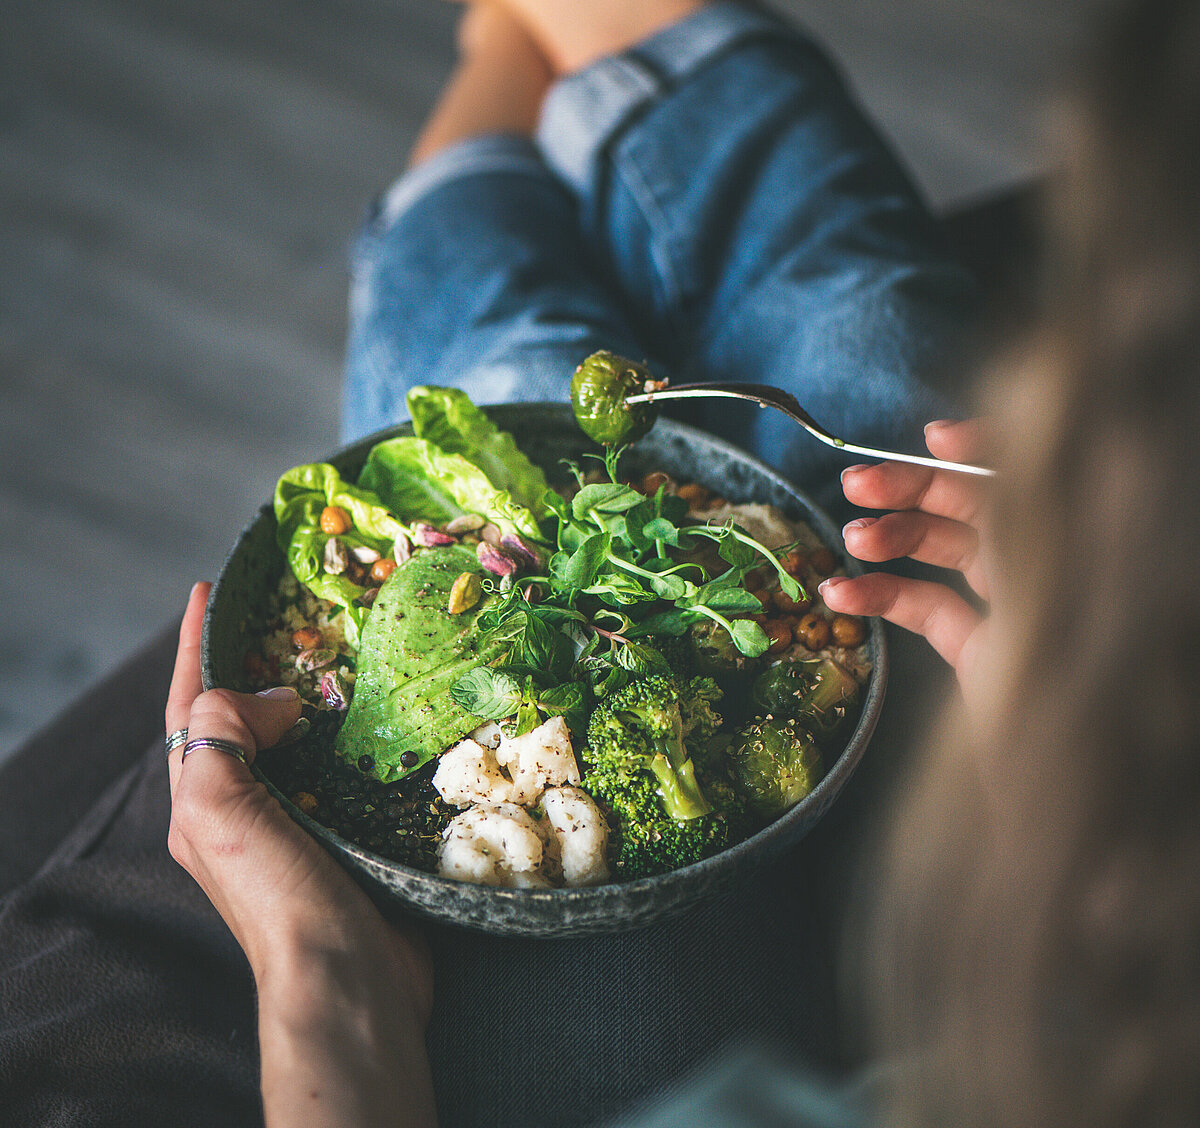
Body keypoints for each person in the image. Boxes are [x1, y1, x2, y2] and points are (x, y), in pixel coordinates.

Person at [163, 0, 1200, 1124]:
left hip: (718, 949)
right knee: (869, 337)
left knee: (509, 359)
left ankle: (506, 42)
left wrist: (319, 977)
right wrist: (1097, 797)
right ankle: (539, 37)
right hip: (1057, 858)